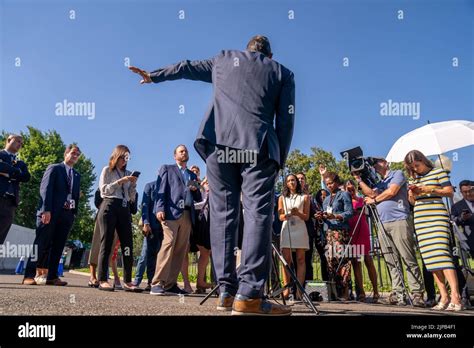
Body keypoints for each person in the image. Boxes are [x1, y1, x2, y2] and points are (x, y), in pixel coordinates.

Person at [129, 35, 294, 315]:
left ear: (247, 49)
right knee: (256, 214)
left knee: (223, 215)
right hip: (258, 147)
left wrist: (154, 76)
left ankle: (226, 292)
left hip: (220, 147)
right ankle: (250, 295)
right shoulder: (281, 72)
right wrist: (280, 158)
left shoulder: (223, 60)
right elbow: (286, 120)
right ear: (269, 54)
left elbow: (185, 67)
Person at [353, 157, 425, 307]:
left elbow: (392, 191)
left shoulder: (397, 174)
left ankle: (417, 293)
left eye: (376, 162)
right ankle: (398, 293)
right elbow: (370, 194)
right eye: (372, 164)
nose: (374, 165)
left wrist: (376, 200)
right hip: (382, 223)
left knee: (407, 257)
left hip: (399, 219)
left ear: (386, 163)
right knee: (391, 260)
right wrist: (359, 180)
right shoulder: (379, 183)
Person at [404, 150, 464, 311]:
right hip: (420, 218)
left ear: (423, 160)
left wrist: (428, 189)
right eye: (412, 167)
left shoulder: (439, 172)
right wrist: (412, 194)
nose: (415, 169)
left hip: (436, 216)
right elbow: (412, 202)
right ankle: (443, 297)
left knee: (442, 255)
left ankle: (456, 296)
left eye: (417, 165)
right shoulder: (413, 178)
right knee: (431, 259)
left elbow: (449, 192)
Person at [23, 145, 82, 286]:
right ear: (66, 153)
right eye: (73, 153)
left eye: (78, 155)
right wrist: (46, 210)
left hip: (67, 215)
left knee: (58, 246)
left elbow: (74, 195)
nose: (75, 156)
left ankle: (52, 276)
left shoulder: (77, 175)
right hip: (50, 212)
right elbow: (45, 189)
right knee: (41, 244)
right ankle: (28, 275)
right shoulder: (54, 168)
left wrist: (73, 213)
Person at [150, 145, 202, 296]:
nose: (184, 152)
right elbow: (161, 190)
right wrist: (159, 209)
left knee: (180, 249)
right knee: (168, 244)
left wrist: (196, 189)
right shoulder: (167, 169)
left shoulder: (192, 175)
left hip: (187, 214)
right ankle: (157, 283)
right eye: (181, 151)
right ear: (175, 156)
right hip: (170, 213)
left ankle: (170, 284)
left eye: (186, 151)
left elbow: (198, 198)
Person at [97, 145, 141, 292]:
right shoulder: (107, 170)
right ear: (117, 156)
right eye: (123, 157)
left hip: (124, 207)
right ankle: (102, 279)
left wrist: (133, 184)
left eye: (127, 157)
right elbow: (104, 191)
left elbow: (131, 197)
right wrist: (120, 181)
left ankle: (128, 281)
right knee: (107, 242)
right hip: (109, 205)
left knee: (128, 244)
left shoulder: (128, 173)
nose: (125, 160)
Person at [316, 172, 353, 300]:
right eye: (327, 184)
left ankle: (346, 291)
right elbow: (326, 216)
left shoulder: (344, 194)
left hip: (340, 231)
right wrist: (321, 217)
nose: (329, 186)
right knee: (330, 261)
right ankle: (335, 291)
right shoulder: (326, 199)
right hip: (329, 232)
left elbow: (349, 212)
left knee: (342, 260)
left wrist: (336, 216)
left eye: (331, 183)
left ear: (337, 182)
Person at [345, 179, 379, 303]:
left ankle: (376, 291)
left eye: (352, 188)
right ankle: (361, 292)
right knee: (356, 262)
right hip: (351, 232)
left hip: (362, 231)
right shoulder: (345, 201)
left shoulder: (361, 199)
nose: (350, 190)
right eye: (347, 189)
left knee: (368, 260)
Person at [278, 174, 310, 300]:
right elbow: (280, 216)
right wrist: (287, 215)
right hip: (287, 228)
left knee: (301, 260)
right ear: (286, 183)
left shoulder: (305, 197)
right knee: (286, 260)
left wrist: (298, 213)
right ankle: (286, 289)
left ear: (297, 182)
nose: (292, 182)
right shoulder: (282, 198)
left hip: (300, 228)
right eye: (289, 181)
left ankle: (299, 291)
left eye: (293, 180)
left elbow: (306, 217)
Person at [132, 180, 164, 291]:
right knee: (146, 254)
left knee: (160, 256)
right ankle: (138, 280)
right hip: (152, 226)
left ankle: (155, 281)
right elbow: (145, 205)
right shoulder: (150, 185)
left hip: (165, 227)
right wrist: (146, 223)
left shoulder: (169, 187)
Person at [0, 134, 30, 244]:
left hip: (10, 203)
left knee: (1, 236)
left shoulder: (20, 163)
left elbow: (26, 177)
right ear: (9, 140)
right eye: (18, 141)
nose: (20, 145)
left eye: (22, 144)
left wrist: (7, 173)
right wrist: (17, 172)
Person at [192, 176, 213, 293]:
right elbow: (202, 203)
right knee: (204, 251)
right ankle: (200, 282)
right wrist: (203, 187)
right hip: (203, 220)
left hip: (213, 219)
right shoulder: (200, 187)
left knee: (209, 253)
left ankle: (207, 282)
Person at [451, 180, 474, 257]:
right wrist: (462, 218)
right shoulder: (456, 206)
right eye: (464, 192)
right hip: (471, 240)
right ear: (461, 192)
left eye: (470, 191)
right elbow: (453, 222)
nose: (468, 194)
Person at [313, 188, 330, 281]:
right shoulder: (315, 207)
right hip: (320, 237)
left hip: (331, 235)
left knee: (331, 260)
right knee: (324, 259)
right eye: (321, 195)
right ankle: (326, 282)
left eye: (325, 195)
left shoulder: (331, 205)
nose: (323, 197)